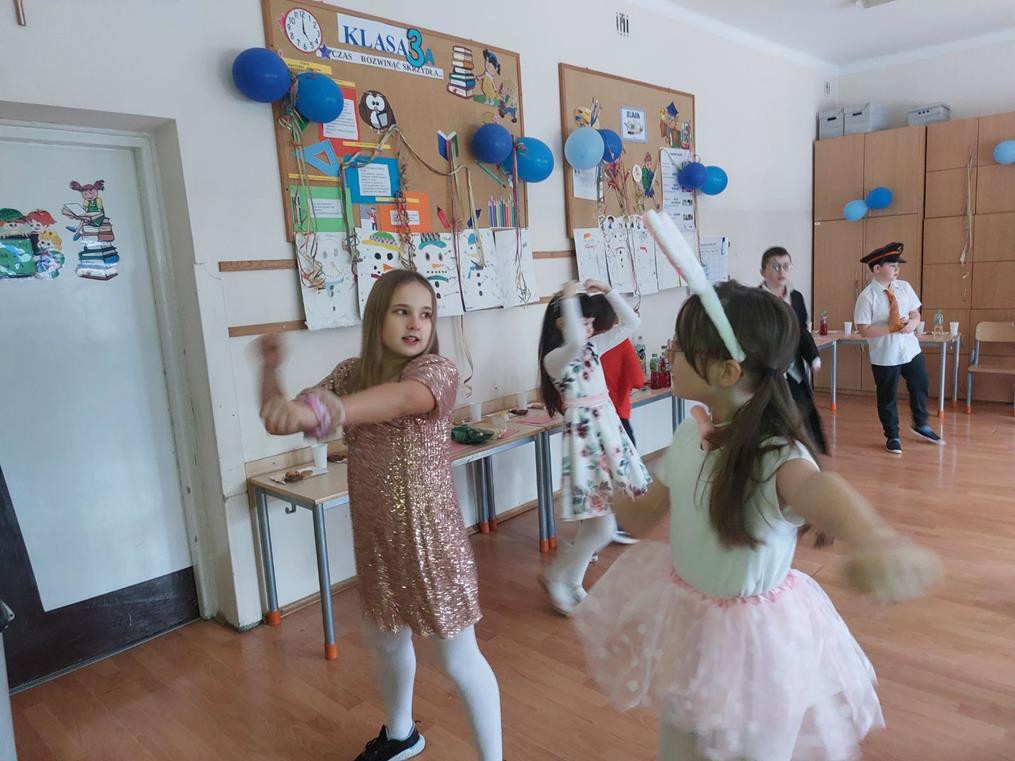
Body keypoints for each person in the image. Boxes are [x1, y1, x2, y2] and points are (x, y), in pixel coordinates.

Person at [573, 217, 942, 761]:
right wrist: (610, 476)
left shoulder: (775, 454)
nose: (670, 352)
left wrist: (876, 538)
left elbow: (821, 491)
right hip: (692, 630)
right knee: (681, 746)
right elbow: (643, 516)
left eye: (681, 346)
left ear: (726, 371)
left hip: (757, 648)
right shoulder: (690, 433)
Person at [257, 269, 502, 761]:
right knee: (386, 640)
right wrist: (270, 370)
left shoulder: (436, 371)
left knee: (458, 658)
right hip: (377, 539)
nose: (416, 323)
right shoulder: (350, 374)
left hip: (432, 542)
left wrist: (330, 411)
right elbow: (283, 416)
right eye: (402, 311)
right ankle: (400, 734)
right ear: (376, 318)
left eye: (426, 314)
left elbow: (402, 399)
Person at [537, 279, 652, 615]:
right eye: (584, 322)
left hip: (606, 432)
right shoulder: (556, 358)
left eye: (590, 323)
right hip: (586, 439)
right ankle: (559, 577)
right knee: (601, 525)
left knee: (599, 523)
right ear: (563, 323)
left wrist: (608, 291)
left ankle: (569, 580)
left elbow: (631, 323)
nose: (589, 329)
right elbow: (574, 340)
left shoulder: (592, 347)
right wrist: (568, 297)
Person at [853, 242, 943, 454]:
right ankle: (892, 435)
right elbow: (864, 329)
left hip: (910, 349)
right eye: (892, 265)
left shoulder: (904, 287)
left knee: (921, 382)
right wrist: (890, 328)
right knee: (887, 395)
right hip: (885, 354)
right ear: (877, 268)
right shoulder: (867, 297)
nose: (897, 269)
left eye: (898, 266)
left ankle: (921, 424)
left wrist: (912, 323)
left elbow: (915, 312)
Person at [759, 246, 828, 453]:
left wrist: (813, 356)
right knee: (769, 411)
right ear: (763, 271)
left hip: (794, 366)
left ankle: (805, 451)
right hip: (766, 368)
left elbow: (802, 330)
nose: (782, 271)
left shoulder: (795, 297)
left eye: (786, 266)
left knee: (802, 407)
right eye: (775, 267)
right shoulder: (755, 299)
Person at [590, 296, 646, 544]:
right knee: (625, 473)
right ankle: (624, 524)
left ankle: (596, 531)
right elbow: (638, 379)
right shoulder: (619, 341)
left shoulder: (582, 347)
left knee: (598, 476)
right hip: (617, 418)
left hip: (591, 423)